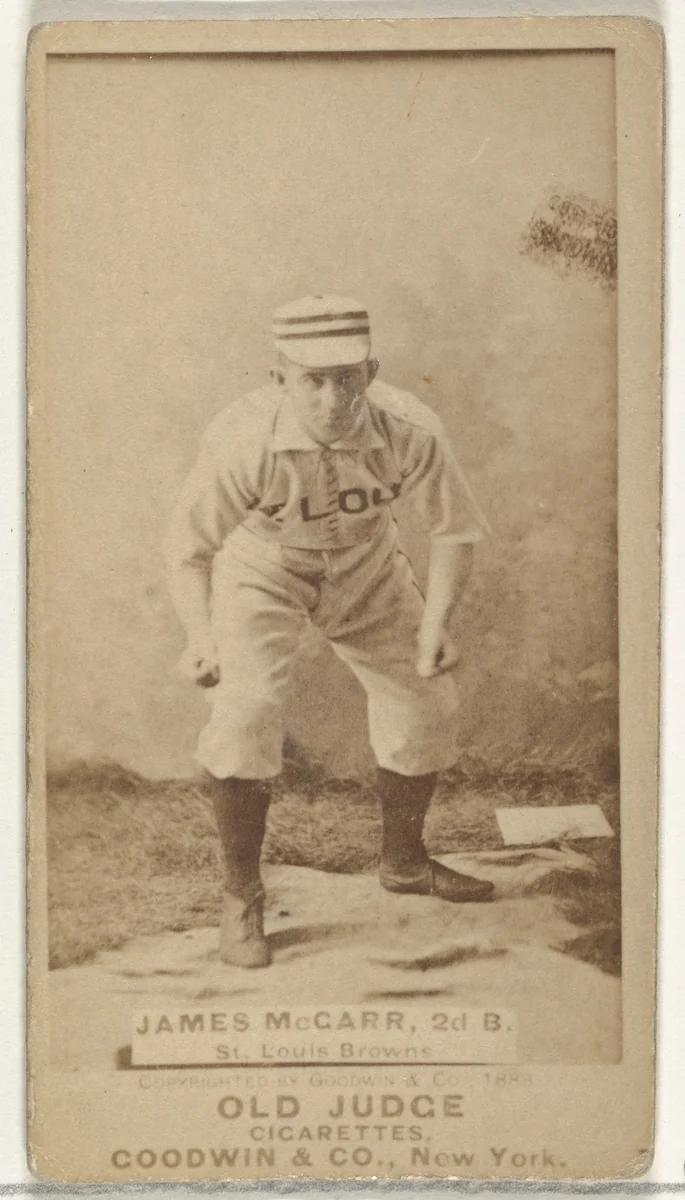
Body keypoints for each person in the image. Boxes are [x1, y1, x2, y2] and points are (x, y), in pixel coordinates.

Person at [165, 294, 494, 969]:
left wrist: (436, 624)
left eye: (346, 378)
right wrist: (199, 635)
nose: (332, 399)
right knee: (245, 710)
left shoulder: (409, 428)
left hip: (367, 565)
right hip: (263, 568)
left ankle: (404, 862)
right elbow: (187, 549)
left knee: (426, 698)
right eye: (312, 380)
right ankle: (241, 896)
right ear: (279, 378)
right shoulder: (244, 440)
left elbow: (455, 529)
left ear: (370, 372)